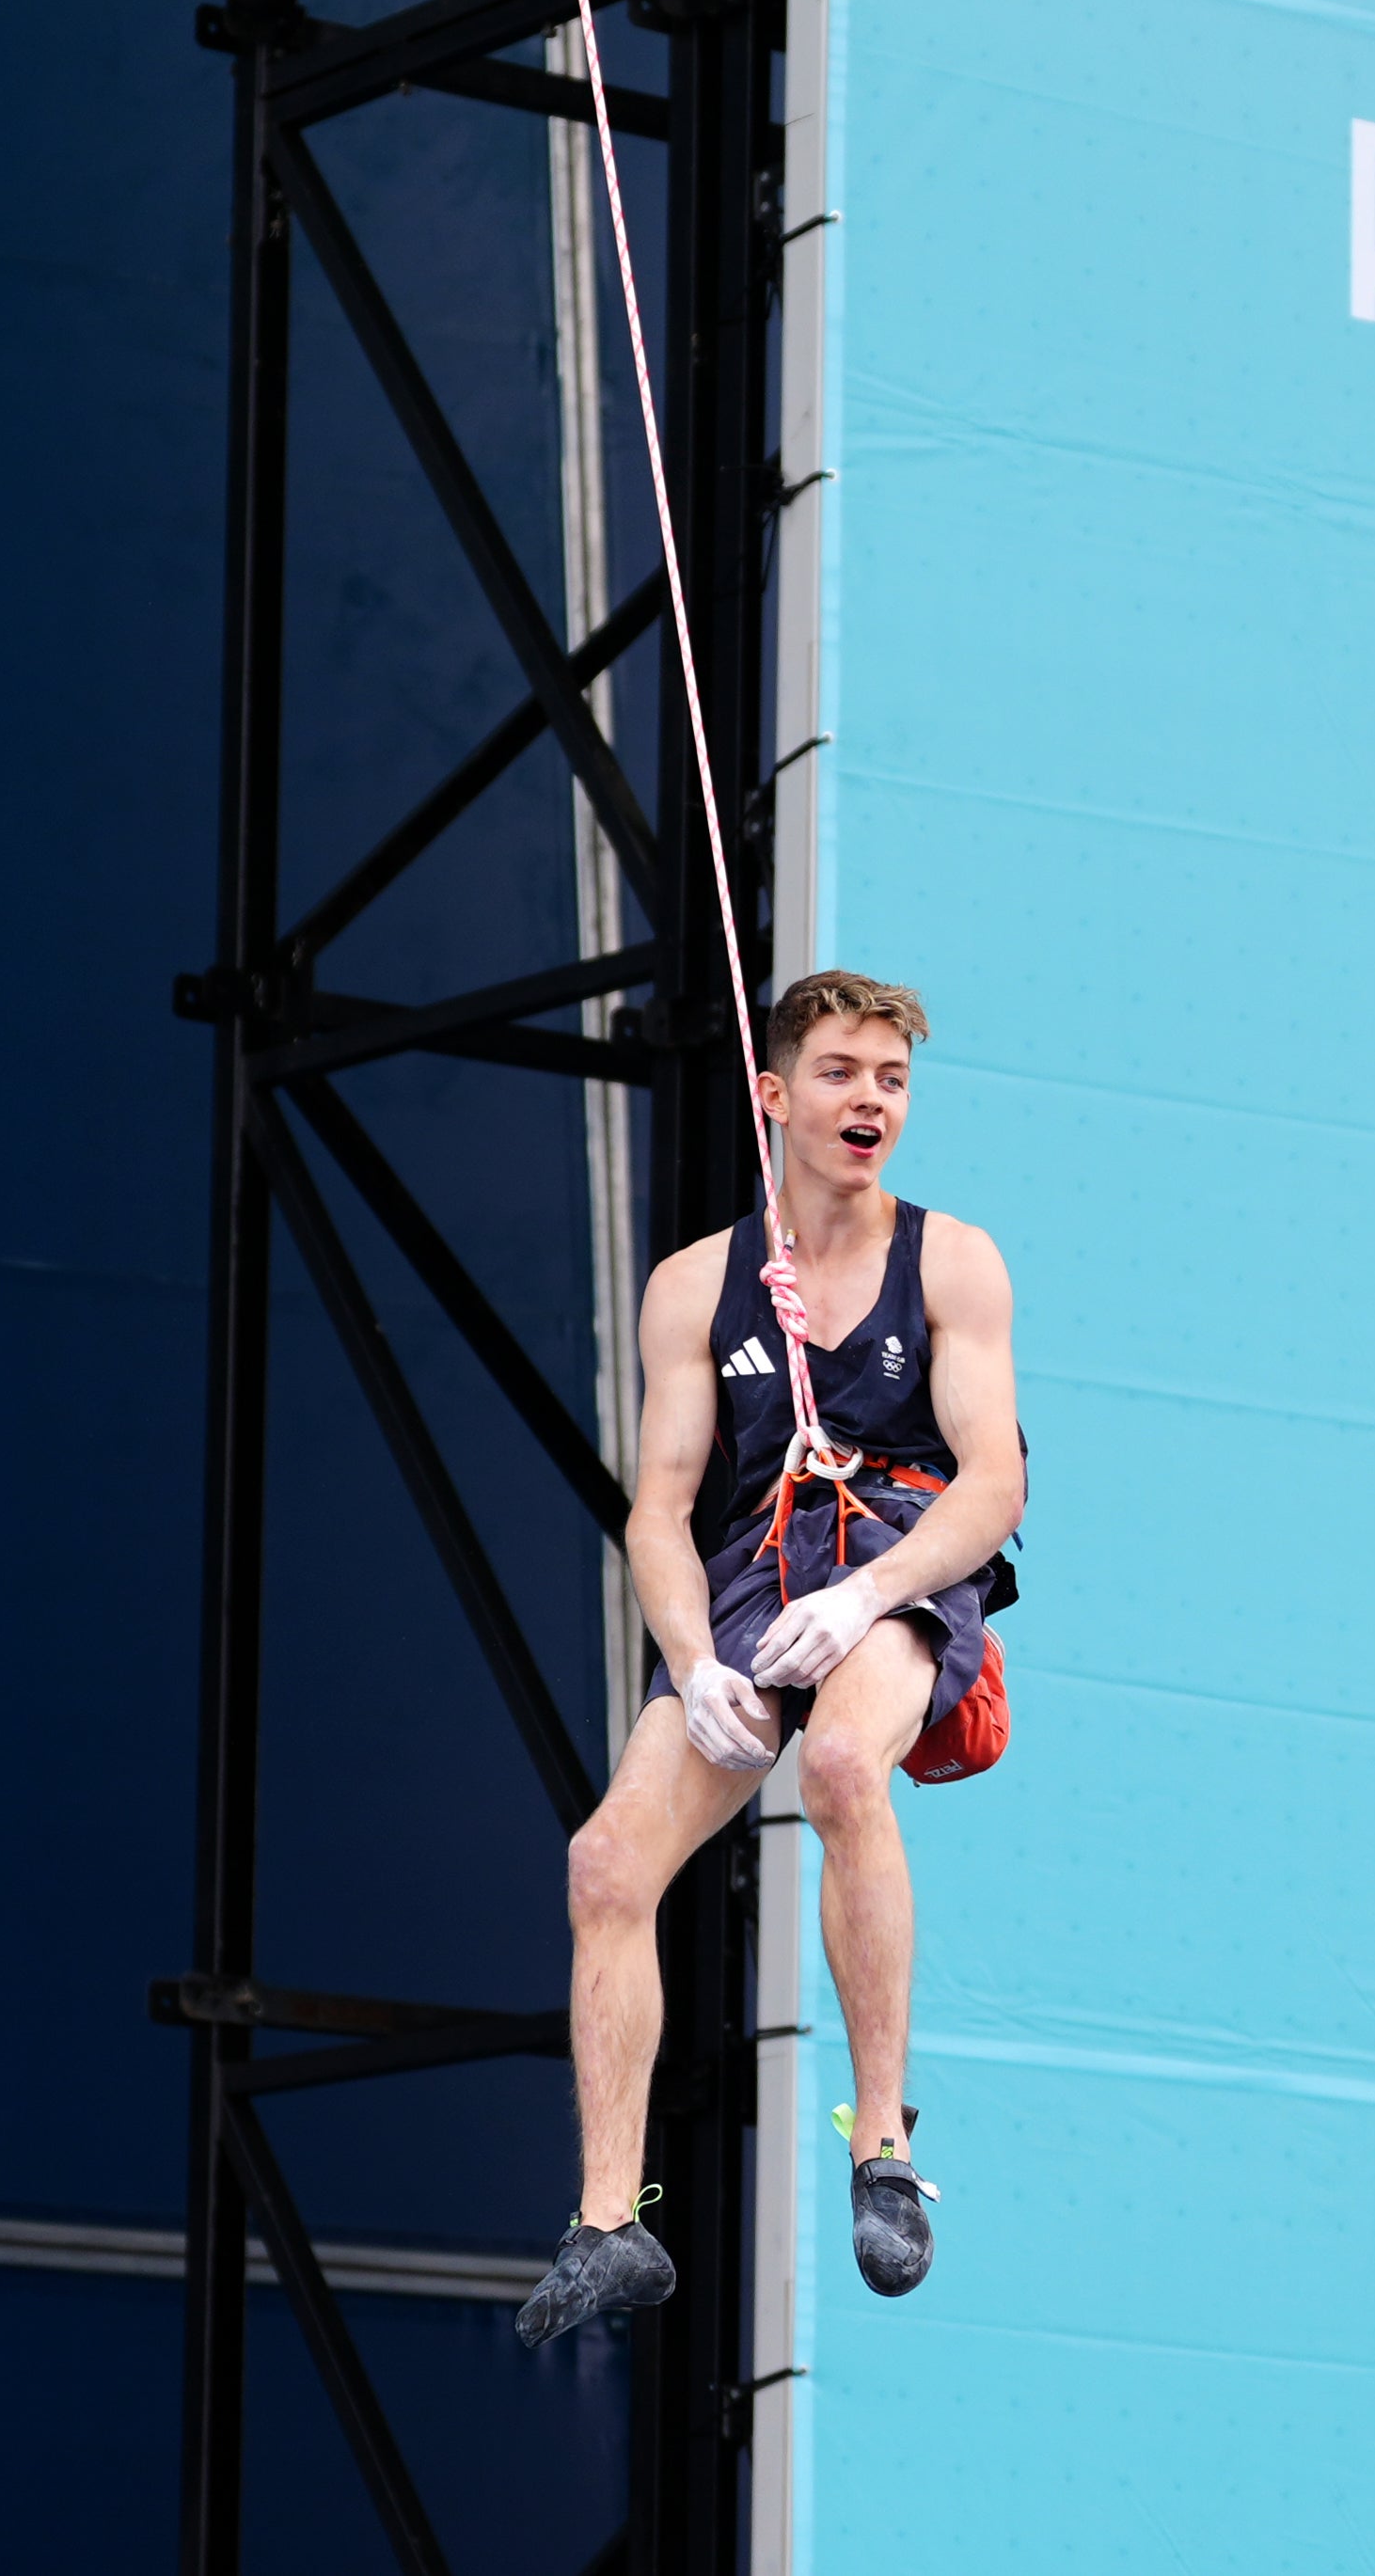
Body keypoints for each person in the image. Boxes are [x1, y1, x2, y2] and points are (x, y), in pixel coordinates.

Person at [515, 969, 1024, 2346]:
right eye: (846, 1073)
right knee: (607, 1865)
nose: (872, 1101)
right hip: (751, 1577)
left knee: (851, 1764)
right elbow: (662, 1510)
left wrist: (869, 1601)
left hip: (898, 1545)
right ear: (775, 1093)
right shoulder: (698, 1285)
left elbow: (991, 1489)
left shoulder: (953, 1261)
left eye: (893, 1080)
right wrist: (700, 1655)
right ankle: (609, 2223)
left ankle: (884, 2153)